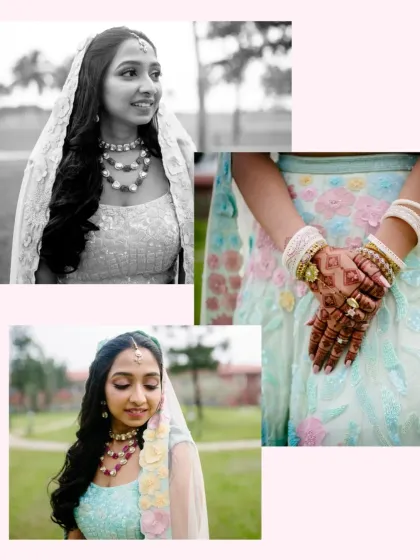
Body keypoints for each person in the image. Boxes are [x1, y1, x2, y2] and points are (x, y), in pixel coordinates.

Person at [201, 153, 420, 446]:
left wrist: (382, 257)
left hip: (404, 240)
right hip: (284, 241)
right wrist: (308, 254)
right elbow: (243, 151)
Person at [10, 27, 194, 284]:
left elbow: (190, 276)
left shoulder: (177, 168)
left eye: (155, 74)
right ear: (95, 83)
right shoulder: (53, 170)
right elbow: (36, 277)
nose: (150, 87)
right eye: (130, 73)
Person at [49, 330, 208, 539]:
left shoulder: (175, 453)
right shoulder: (87, 452)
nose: (139, 398)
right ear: (101, 389)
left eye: (150, 385)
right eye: (123, 384)